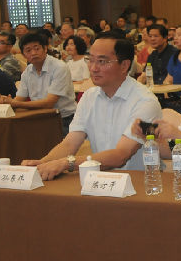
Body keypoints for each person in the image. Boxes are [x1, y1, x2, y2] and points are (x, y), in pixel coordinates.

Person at [21, 33, 162, 180]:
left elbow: (121, 155)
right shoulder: (89, 96)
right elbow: (70, 143)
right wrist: (43, 163)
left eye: (102, 61)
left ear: (124, 65)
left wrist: (67, 163)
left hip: (141, 182)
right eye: (91, 60)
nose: (93, 68)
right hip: (99, 180)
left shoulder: (145, 102)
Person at [0, 32, 77, 134]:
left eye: (37, 48)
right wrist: (5, 103)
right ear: (23, 55)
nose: (33, 53)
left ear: (45, 49)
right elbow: (19, 99)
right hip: (39, 116)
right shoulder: (27, 71)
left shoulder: (59, 67)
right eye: (28, 50)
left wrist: (15, 103)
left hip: (64, 119)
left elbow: (49, 103)